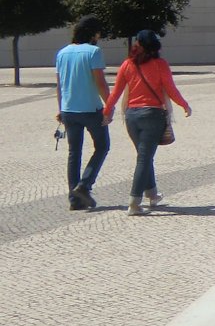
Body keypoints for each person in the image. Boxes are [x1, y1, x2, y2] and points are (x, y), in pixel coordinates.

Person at [102, 29, 191, 215]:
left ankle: (152, 194)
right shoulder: (160, 64)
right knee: (144, 157)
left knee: (144, 155)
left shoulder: (127, 65)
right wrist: (184, 105)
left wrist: (106, 111)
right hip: (152, 115)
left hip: (131, 117)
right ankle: (134, 202)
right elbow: (171, 89)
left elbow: (116, 92)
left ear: (137, 45)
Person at [55, 15, 111, 210]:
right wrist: (109, 106)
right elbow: (100, 82)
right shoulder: (94, 52)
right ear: (93, 33)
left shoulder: (62, 53)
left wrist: (60, 108)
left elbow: (60, 85)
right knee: (102, 146)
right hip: (91, 109)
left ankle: (75, 200)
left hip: (69, 110)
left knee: (74, 153)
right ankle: (84, 185)